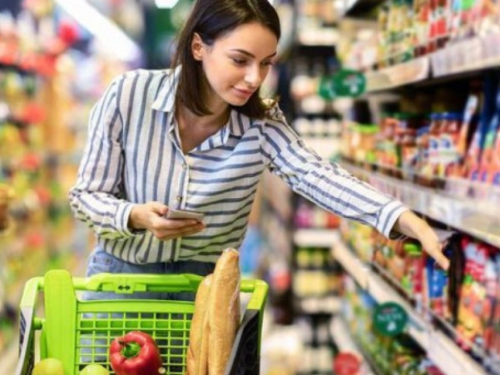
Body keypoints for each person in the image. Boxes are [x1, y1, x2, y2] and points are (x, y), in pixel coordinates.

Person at [69, 0, 449, 301]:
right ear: (199, 46)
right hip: (121, 286)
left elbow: (315, 174)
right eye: (240, 60)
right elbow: (85, 197)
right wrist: (134, 215)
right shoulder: (129, 94)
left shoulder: (261, 122)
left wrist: (401, 218)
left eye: (266, 64)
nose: (255, 79)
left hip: (206, 296)